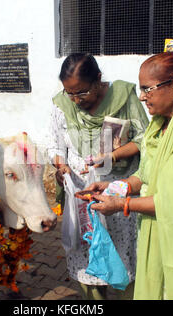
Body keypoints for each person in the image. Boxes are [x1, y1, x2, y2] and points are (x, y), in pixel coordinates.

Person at [83, 52, 173, 300]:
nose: (142, 97)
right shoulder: (160, 127)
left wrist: (122, 204)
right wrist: (115, 188)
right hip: (159, 232)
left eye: (147, 89)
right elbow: (145, 175)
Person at [48, 53, 149, 299]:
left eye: (81, 93)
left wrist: (113, 156)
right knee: (87, 256)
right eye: (69, 93)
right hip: (82, 197)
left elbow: (145, 140)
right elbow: (55, 146)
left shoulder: (124, 98)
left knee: (121, 255)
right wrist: (62, 168)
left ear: (98, 81)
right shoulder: (62, 105)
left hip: (117, 191)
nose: (75, 100)